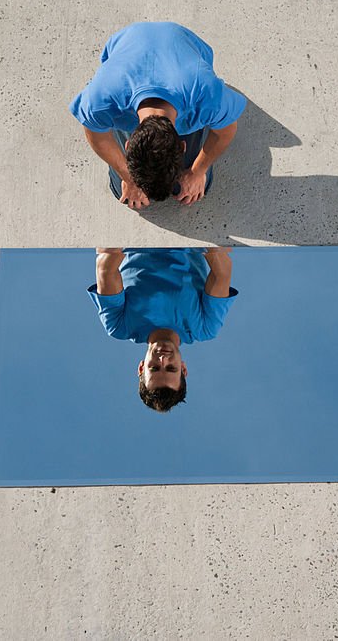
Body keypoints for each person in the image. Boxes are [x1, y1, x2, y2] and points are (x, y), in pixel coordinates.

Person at [70, 22, 246, 209]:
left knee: (198, 183)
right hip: (129, 42)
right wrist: (128, 178)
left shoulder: (207, 95)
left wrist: (197, 171)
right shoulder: (102, 98)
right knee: (120, 186)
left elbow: (226, 131)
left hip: (182, 42)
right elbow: (95, 134)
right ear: (182, 145)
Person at [88, 247, 238, 412]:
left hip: (136, 235)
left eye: (154, 368)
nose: (163, 359)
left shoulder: (119, 326)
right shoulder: (205, 327)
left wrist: (127, 237)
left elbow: (105, 270)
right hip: (190, 233)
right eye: (171, 368)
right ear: (183, 368)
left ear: (141, 367)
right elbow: (221, 273)